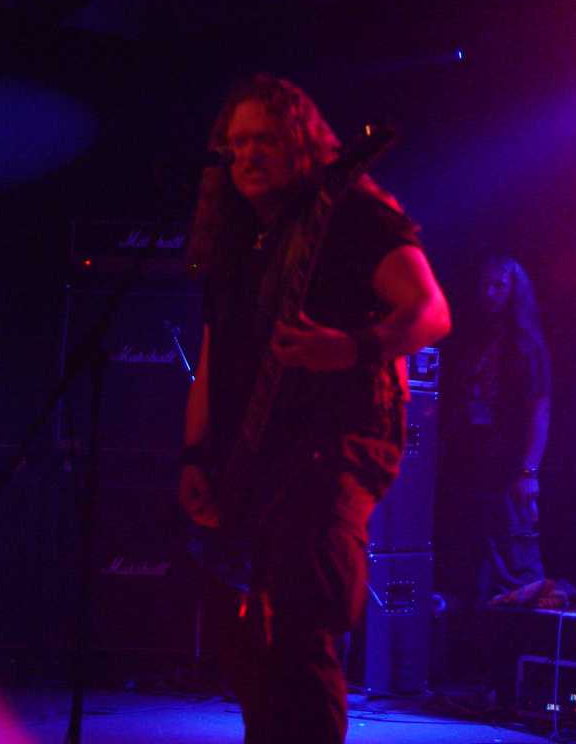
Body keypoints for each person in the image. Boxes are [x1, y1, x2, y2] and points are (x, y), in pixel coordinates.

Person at [177, 73, 450, 744]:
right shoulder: (238, 236)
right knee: (247, 645)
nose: (248, 156)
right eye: (237, 143)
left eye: (264, 140)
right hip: (249, 455)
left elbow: (430, 310)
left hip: (333, 445)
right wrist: (195, 454)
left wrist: (352, 347)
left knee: (302, 626)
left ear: (300, 142)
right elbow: (212, 355)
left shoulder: (350, 214)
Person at [438, 256, 551, 615]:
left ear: (514, 291)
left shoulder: (525, 345)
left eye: (499, 285)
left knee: (514, 557)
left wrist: (529, 471)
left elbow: (539, 410)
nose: (489, 293)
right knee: (471, 554)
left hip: (507, 460)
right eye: (485, 284)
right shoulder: (475, 340)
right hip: (473, 455)